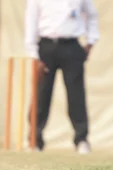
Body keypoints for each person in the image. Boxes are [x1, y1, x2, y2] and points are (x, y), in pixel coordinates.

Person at [25, 0, 100, 154]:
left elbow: (92, 15)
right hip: (46, 46)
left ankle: (81, 140)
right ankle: (34, 140)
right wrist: (33, 54)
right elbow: (31, 20)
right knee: (41, 94)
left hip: (71, 45)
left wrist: (91, 41)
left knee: (76, 95)